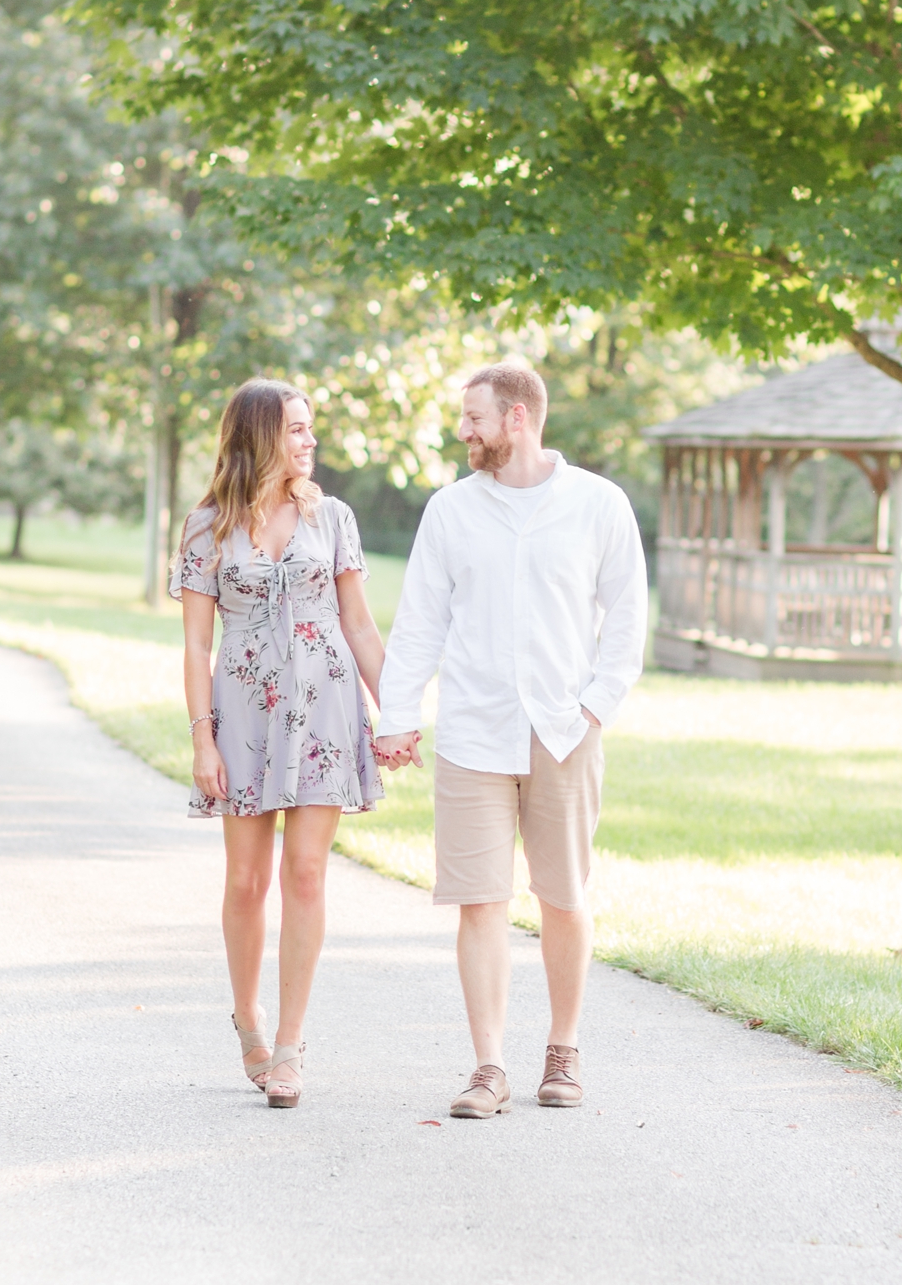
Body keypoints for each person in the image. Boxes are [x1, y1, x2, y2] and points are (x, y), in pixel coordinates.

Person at [374, 362, 649, 1119]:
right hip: (473, 733)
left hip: (565, 732)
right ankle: (488, 1065)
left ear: (517, 419)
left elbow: (627, 615)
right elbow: (420, 621)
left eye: (475, 418)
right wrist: (398, 714)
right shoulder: (451, 512)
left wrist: (595, 706)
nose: (464, 431)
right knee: (479, 901)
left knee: (562, 898)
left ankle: (563, 1051)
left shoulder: (598, 504)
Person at [172, 376, 399, 1109]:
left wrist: (392, 712)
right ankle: (250, 1024)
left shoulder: (332, 516)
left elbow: (360, 627)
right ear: (261, 435)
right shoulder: (206, 526)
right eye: (297, 429)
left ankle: (293, 1048)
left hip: (325, 706)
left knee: (306, 874)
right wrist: (203, 742)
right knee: (246, 881)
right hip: (242, 711)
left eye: (310, 428)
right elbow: (196, 647)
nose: (310, 440)